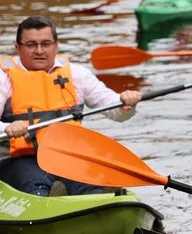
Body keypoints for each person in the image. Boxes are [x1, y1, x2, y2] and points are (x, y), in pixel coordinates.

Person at [0, 16, 141, 196]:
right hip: (19, 159)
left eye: (46, 43)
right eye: (31, 45)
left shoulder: (77, 74)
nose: (39, 50)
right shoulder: (3, 78)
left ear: (56, 46)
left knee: (93, 187)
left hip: (67, 156)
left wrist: (126, 103)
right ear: (18, 47)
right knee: (37, 185)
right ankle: (47, 202)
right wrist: (7, 127)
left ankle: (91, 203)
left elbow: (115, 111)